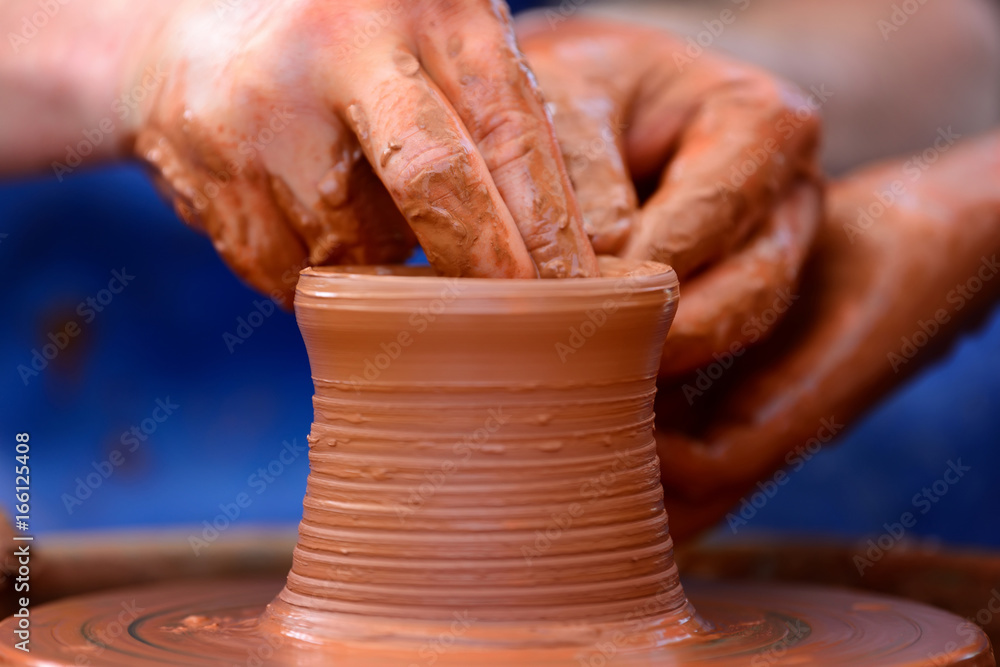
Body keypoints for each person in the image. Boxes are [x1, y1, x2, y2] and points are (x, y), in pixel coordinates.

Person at [2, 0, 998, 540]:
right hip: (94, 413)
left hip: (759, 442)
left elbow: (945, 39)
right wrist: (138, 43)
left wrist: (642, 72)